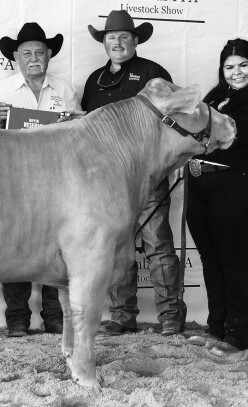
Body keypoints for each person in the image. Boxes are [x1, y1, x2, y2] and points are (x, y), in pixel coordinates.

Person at [81, 9, 185, 337]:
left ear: (135, 40)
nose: (117, 43)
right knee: (116, 247)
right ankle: (123, 315)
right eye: (111, 38)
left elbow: (178, 117)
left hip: (147, 177)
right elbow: (85, 127)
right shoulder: (94, 80)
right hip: (108, 182)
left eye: (124, 37)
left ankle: (170, 316)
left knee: (158, 243)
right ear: (104, 43)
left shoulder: (154, 74)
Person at [0, 22, 81, 337]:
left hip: (57, 180)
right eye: (27, 53)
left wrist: (75, 120)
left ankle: (54, 316)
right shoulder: (2, 89)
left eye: (40, 52)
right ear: (16, 57)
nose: (34, 58)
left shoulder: (65, 89)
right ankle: (17, 318)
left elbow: (80, 129)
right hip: (14, 179)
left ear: (49, 55)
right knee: (15, 246)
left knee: (57, 247)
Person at [186, 38, 248, 356]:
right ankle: (217, 328)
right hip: (200, 183)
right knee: (211, 261)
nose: (236, 72)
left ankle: (237, 336)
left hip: (236, 185)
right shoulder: (217, 96)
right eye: (229, 66)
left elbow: (233, 134)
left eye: (243, 65)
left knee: (233, 259)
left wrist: (192, 127)